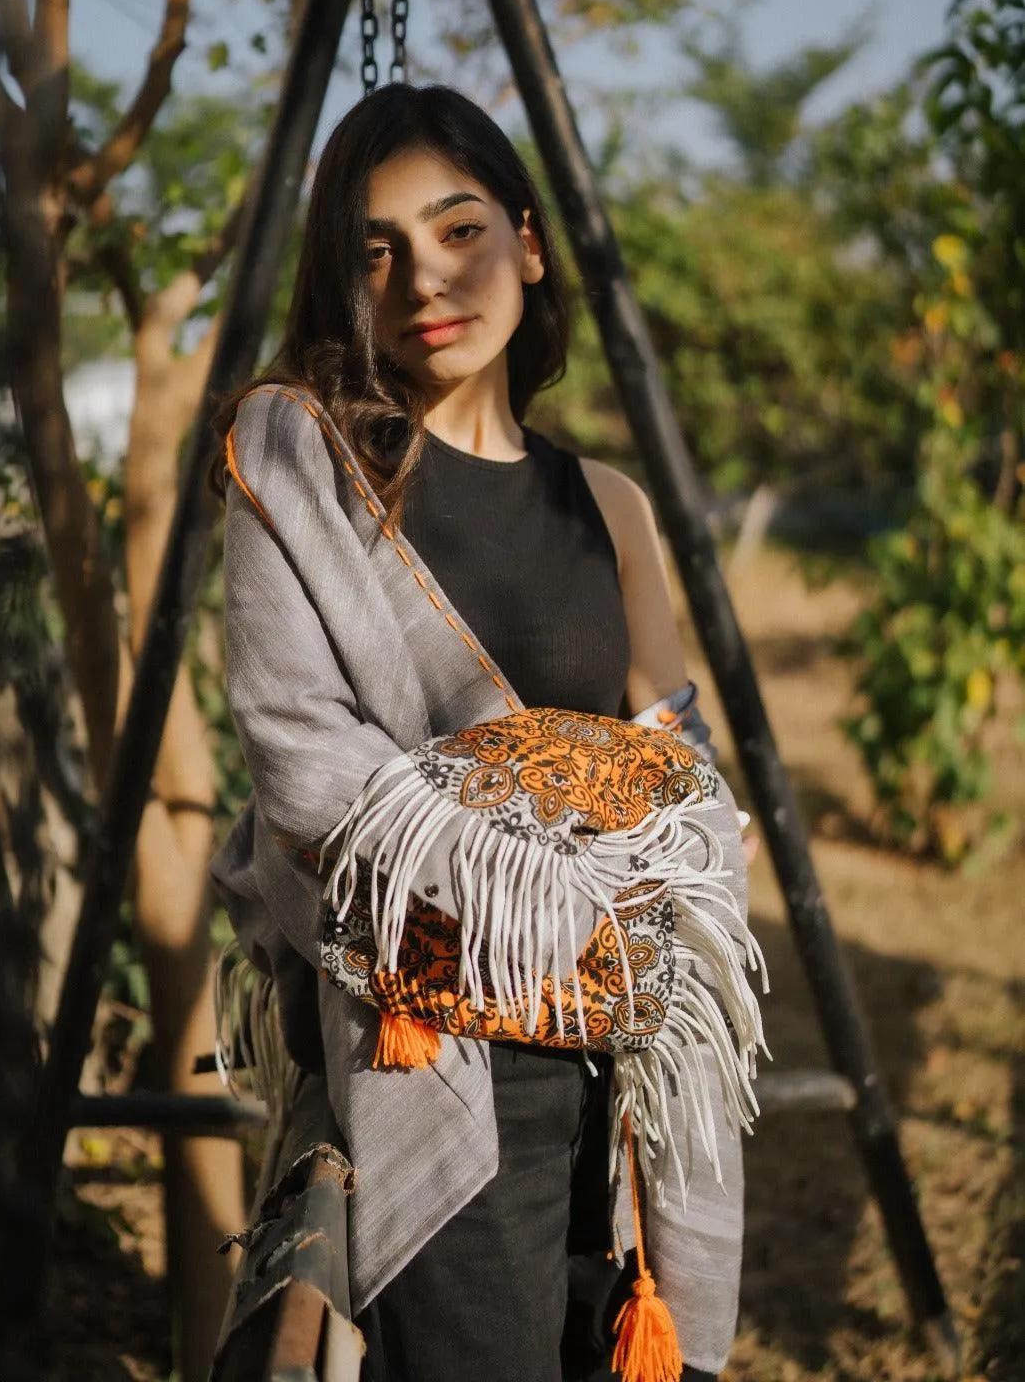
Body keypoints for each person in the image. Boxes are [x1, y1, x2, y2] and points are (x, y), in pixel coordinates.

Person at [211, 84, 759, 1382]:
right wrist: (555, 892)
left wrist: (674, 850)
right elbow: (308, 767)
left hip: (626, 1069)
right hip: (436, 1059)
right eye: (375, 249)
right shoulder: (303, 467)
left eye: (457, 229)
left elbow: (671, 765)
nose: (421, 280)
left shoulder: (606, 507)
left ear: (527, 241)